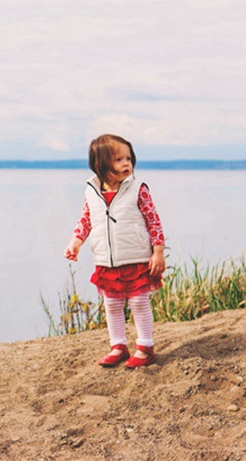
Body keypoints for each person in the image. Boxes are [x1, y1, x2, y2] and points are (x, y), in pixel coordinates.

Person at [64, 134, 166, 368]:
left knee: (139, 302)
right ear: (101, 164)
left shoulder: (138, 189)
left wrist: (158, 251)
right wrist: (75, 242)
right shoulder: (91, 190)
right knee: (112, 304)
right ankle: (118, 346)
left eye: (128, 158)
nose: (126, 164)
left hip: (138, 257)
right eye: (118, 159)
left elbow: (154, 221)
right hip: (107, 261)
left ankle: (145, 347)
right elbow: (86, 219)